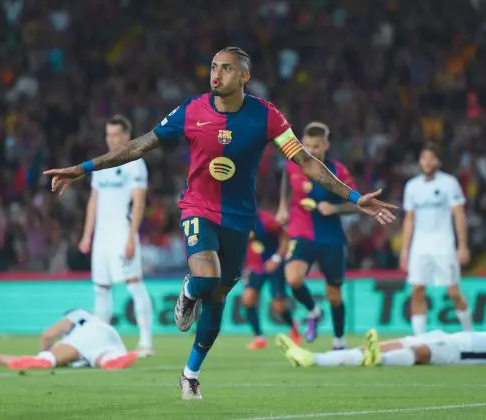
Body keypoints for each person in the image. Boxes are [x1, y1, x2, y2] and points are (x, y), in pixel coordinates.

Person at [44, 46, 397, 400]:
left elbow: (305, 161)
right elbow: (139, 145)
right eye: (213, 67)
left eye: (226, 68)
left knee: (218, 297)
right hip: (198, 208)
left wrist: (353, 197)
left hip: (240, 219)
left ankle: (190, 373)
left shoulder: (266, 116)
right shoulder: (191, 109)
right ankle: (187, 292)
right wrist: (83, 168)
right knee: (206, 278)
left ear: (244, 76)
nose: (216, 74)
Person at [276, 122, 357, 350]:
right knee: (293, 278)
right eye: (308, 145)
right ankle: (313, 311)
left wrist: (335, 209)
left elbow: (356, 203)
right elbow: (285, 181)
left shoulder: (338, 171)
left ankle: (339, 341)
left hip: (331, 238)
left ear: (326, 145)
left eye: (316, 146)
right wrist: (283, 206)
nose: (311, 151)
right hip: (301, 234)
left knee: (334, 295)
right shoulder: (293, 166)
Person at [78, 115, 154, 357]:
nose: (110, 139)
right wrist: (87, 234)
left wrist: (132, 236)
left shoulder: (135, 164)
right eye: (107, 134)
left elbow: (139, 203)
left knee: (134, 284)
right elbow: (94, 201)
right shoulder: (101, 164)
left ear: (126, 136)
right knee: (101, 288)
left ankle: (146, 342)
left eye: (115, 135)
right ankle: (102, 342)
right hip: (102, 238)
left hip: (123, 234)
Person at [276, 311, 486, 367]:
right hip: (447, 338)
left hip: (459, 353)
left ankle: (380, 359)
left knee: (420, 351)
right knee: (393, 343)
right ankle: (312, 358)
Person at [400, 144, 472, 335]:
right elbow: (409, 219)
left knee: (453, 292)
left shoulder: (449, 183)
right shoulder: (412, 186)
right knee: (417, 291)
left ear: (438, 161)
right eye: (424, 158)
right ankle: (419, 338)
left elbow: (459, 215)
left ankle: (468, 332)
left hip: (444, 243)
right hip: (420, 245)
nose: (427, 162)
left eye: (431, 158)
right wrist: (404, 250)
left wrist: (462, 245)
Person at [0, 309, 138, 370]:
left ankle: (43, 360)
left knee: (49, 359)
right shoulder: (94, 319)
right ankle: (110, 361)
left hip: (85, 335)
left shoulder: (77, 316)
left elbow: (47, 334)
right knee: (102, 356)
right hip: (110, 335)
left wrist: (42, 354)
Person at [242, 209, 301, 350]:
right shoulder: (237, 220)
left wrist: (276, 259)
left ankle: (293, 327)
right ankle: (259, 338)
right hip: (256, 267)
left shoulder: (266, 220)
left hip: (275, 266)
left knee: (278, 306)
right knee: (248, 299)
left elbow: (285, 237)